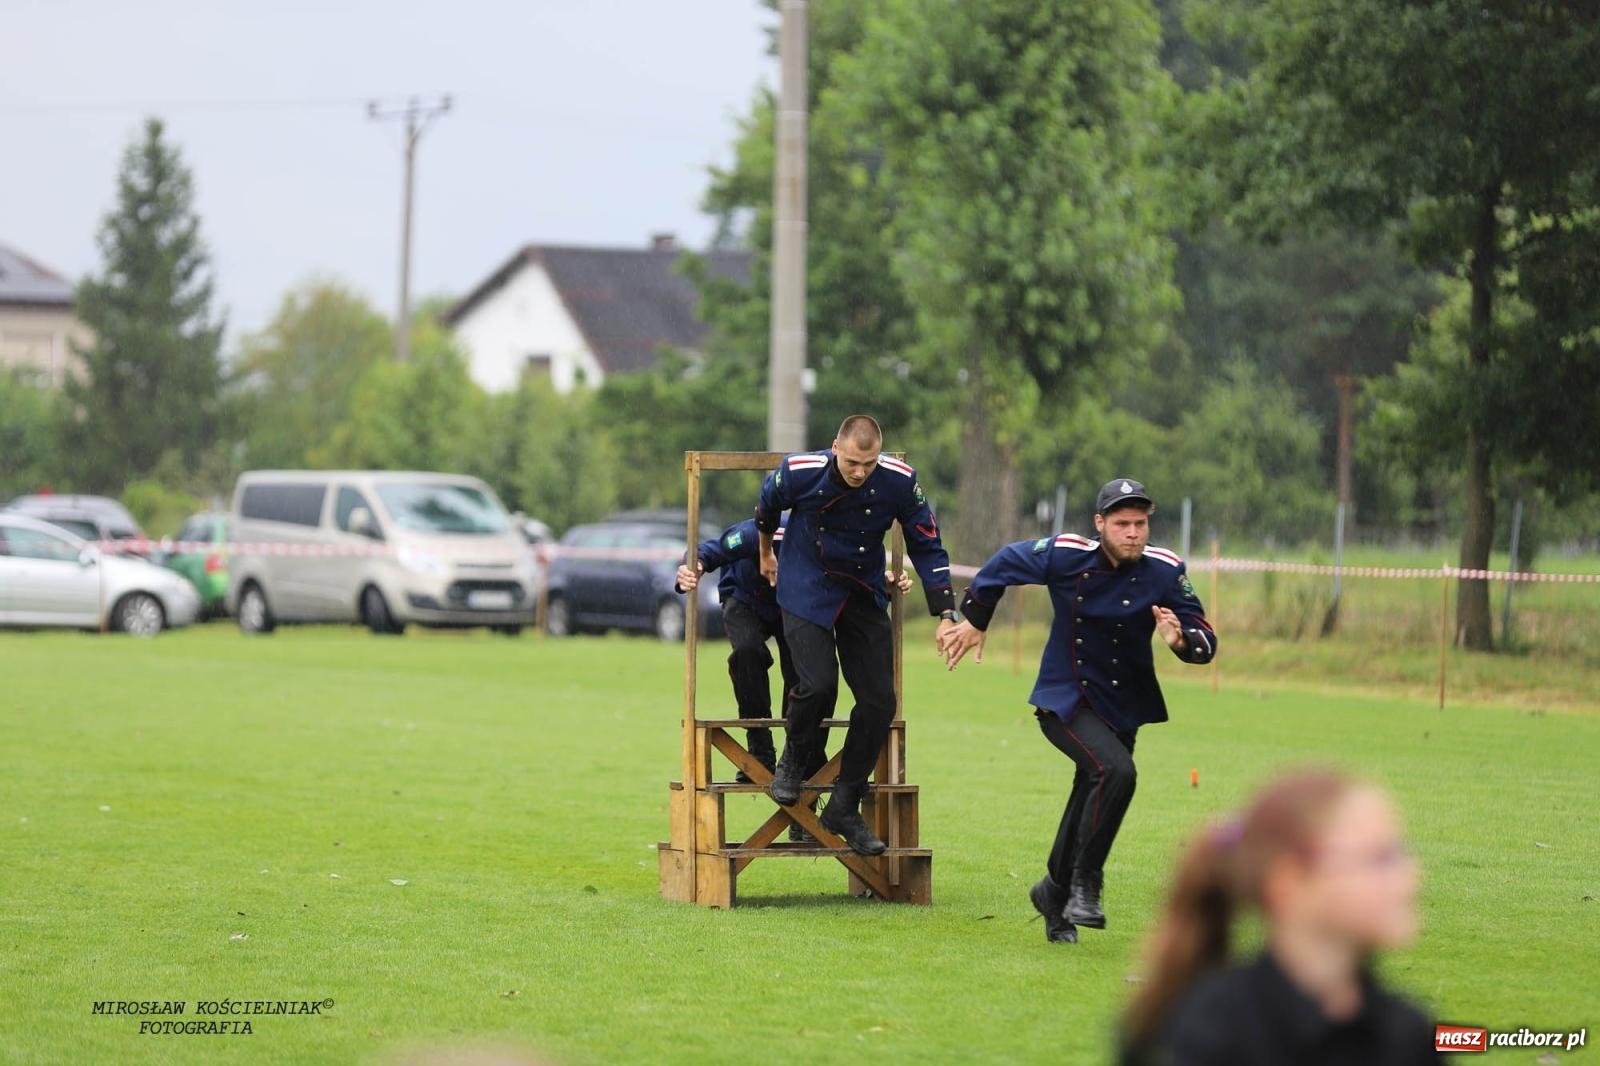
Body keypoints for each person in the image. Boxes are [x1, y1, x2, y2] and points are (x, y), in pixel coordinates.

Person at [939, 478, 1216, 943]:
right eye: (1122, 523)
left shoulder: (1165, 571)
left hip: (1122, 703)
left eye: (1141, 524)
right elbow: (1006, 561)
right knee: (1117, 773)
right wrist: (976, 619)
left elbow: (1204, 637)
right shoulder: (1067, 555)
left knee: (1095, 786)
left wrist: (1182, 640)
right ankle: (1086, 883)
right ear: (1100, 524)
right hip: (1064, 698)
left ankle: (1054, 894)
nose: (1133, 532)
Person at [1120, 770, 1436, 1065]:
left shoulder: (1408, 1034)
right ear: (1289, 883)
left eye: (1400, 852)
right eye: (1378, 859)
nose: (1411, 875)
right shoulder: (1210, 1033)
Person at [755, 414, 958, 856]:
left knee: (880, 701)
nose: (860, 472)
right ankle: (792, 758)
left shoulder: (900, 482)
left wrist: (945, 612)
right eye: (851, 462)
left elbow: (927, 543)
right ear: (835, 448)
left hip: (861, 588)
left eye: (868, 463)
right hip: (806, 583)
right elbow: (766, 508)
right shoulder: (799, 472)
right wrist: (766, 552)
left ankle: (844, 804)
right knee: (818, 684)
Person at [674, 520, 914, 841]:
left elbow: (851, 572)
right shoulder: (752, 534)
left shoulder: (823, 539)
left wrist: (881, 581)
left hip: (795, 605)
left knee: (809, 686)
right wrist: (694, 568)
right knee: (748, 653)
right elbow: (707, 551)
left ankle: (804, 788)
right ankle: (759, 752)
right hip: (745, 599)